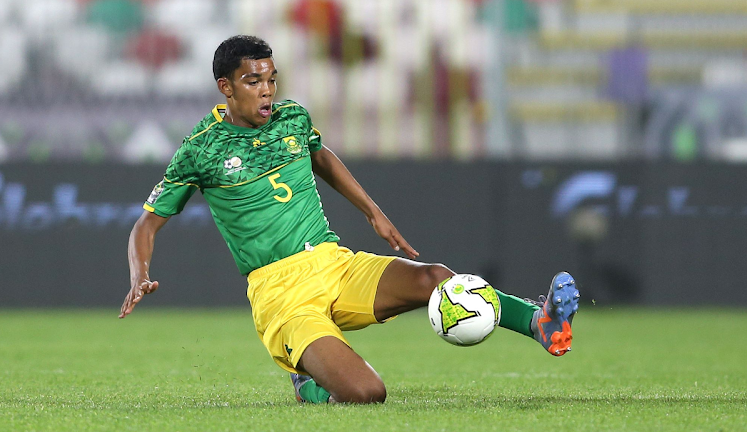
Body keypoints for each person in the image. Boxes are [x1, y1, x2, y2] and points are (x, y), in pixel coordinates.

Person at [119, 35, 580, 404]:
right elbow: (147, 223)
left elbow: (323, 157)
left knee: (436, 279)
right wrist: (140, 275)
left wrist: (373, 213)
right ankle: (311, 383)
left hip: (334, 264)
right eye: (253, 80)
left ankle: (540, 323)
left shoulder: (292, 119)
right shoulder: (200, 148)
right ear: (226, 86)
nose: (267, 91)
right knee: (367, 393)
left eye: (271, 79)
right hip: (281, 296)